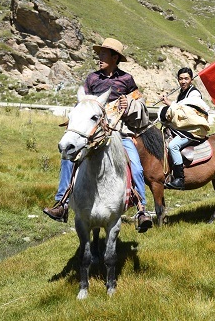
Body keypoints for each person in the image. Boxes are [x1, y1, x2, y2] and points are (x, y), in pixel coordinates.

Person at [43, 37, 153, 232]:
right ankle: (62, 203)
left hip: (119, 132)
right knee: (68, 157)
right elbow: (82, 104)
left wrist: (129, 104)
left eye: (103, 54)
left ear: (114, 57)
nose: (99, 57)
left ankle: (141, 209)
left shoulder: (127, 80)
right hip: (93, 133)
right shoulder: (92, 79)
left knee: (136, 166)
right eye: (99, 53)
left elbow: (141, 103)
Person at [158, 68, 210, 189]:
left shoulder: (194, 94)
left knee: (173, 145)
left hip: (194, 129)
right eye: (181, 79)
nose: (183, 81)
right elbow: (178, 107)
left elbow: (184, 110)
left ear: (191, 79)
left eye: (186, 78)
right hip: (185, 127)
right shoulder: (182, 93)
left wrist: (169, 105)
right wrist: (168, 102)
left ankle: (179, 179)